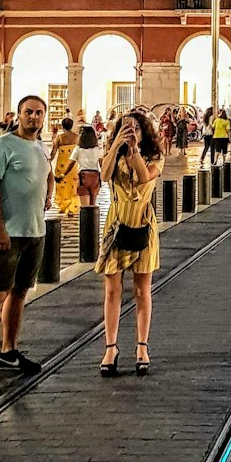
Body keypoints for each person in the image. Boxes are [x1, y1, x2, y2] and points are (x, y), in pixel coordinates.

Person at [0, 95, 52, 383]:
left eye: (39, 113)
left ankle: (9, 352)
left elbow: (47, 174)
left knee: (19, 293)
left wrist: (49, 194)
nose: (34, 117)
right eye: (29, 112)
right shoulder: (1, 146)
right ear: (18, 114)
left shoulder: (40, 147)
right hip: (9, 233)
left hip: (35, 232)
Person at [97, 109, 164, 377]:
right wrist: (115, 146)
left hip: (143, 225)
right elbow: (103, 175)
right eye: (126, 128)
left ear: (144, 132)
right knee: (112, 289)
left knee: (141, 290)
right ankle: (110, 348)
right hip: (116, 226)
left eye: (136, 128)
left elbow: (145, 178)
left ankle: (142, 347)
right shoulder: (114, 154)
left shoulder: (155, 157)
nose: (131, 132)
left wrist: (134, 150)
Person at [52, 115, 81, 216]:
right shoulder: (77, 137)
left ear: (62, 126)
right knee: (73, 186)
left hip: (61, 165)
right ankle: (72, 207)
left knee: (62, 186)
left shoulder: (59, 138)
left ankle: (63, 206)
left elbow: (53, 152)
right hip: (73, 165)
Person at [76, 123, 102, 205]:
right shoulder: (97, 149)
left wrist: (64, 173)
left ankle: (85, 217)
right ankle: (93, 217)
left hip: (83, 175)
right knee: (93, 202)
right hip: (95, 175)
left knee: (84, 204)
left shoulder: (78, 149)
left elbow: (71, 162)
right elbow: (101, 163)